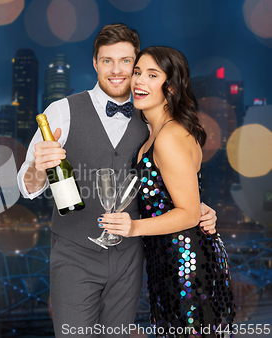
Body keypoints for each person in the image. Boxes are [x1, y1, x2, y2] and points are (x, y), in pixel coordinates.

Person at [17, 23, 218, 337]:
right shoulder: (62, 111)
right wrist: (37, 168)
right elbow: (27, 187)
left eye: (126, 61)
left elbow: (165, 174)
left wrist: (196, 206)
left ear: (136, 65)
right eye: (107, 60)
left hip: (130, 259)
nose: (117, 70)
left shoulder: (150, 116)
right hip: (74, 255)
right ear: (94, 63)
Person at [98, 46, 235, 337]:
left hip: (187, 263)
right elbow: (175, 194)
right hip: (168, 258)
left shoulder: (169, 136)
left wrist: (133, 227)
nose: (138, 81)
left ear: (170, 87)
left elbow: (186, 213)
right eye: (137, 73)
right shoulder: (156, 133)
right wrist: (201, 206)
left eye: (151, 75)